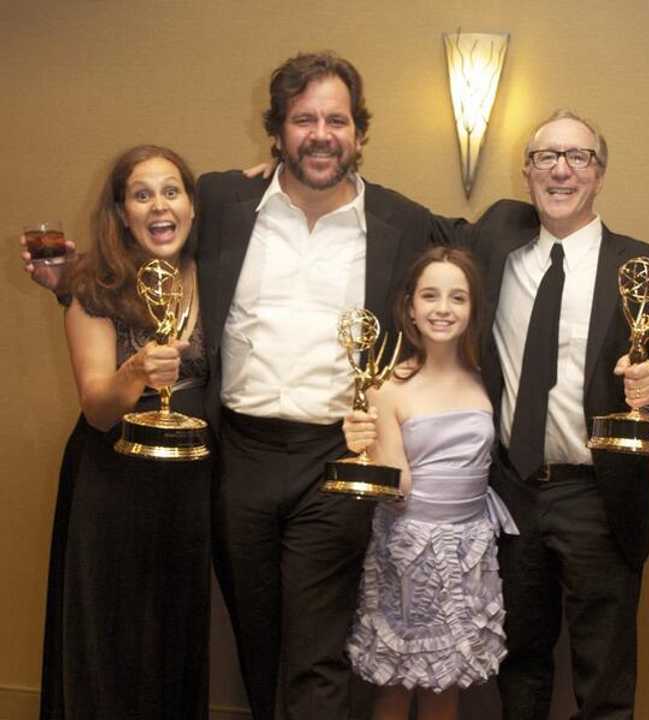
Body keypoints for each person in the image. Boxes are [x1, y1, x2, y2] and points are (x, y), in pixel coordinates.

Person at [194, 52, 436, 720]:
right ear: (277, 131)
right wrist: (70, 283)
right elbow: (140, 247)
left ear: (359, 132)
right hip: (238, 455)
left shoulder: (402, 223)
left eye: (337, 119)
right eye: (304, 119)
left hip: (336, 460)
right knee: (255, 632)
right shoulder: (220, 202)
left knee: (318, 645)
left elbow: (473, 277)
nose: (321, 134)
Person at [452, 110, 649, 719]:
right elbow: (413, 227)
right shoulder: (496, 244)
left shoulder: (648, 269)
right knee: (521, 666)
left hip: (598, 494)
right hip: (510, 491)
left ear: (601, 173)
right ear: (527, 172)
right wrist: (305, 174)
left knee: (604, 672)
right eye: (546, 157)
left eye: (578, 157)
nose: (561, 170)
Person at [31, 145, 212, 719]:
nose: (159, 205)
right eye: (141, 194)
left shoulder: (216, 276)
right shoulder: (95, 288)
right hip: (113, 486)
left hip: (190, 490)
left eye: (171, 190)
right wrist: (135, 371)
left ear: (190, 204)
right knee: (111, 643)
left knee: (174, 641)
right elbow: (97, 409)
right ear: (122, 212)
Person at [342, 246, 518, 720]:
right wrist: (364, 447)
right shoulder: (387, 386)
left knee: (447, 684)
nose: (443, 308)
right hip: (409, 550)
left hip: (471, 549)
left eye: (457, 297)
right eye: (431, 296)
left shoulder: (487, 381)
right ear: (411, 307)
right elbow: (397, 487)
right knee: (397, 684)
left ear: (473, 308)